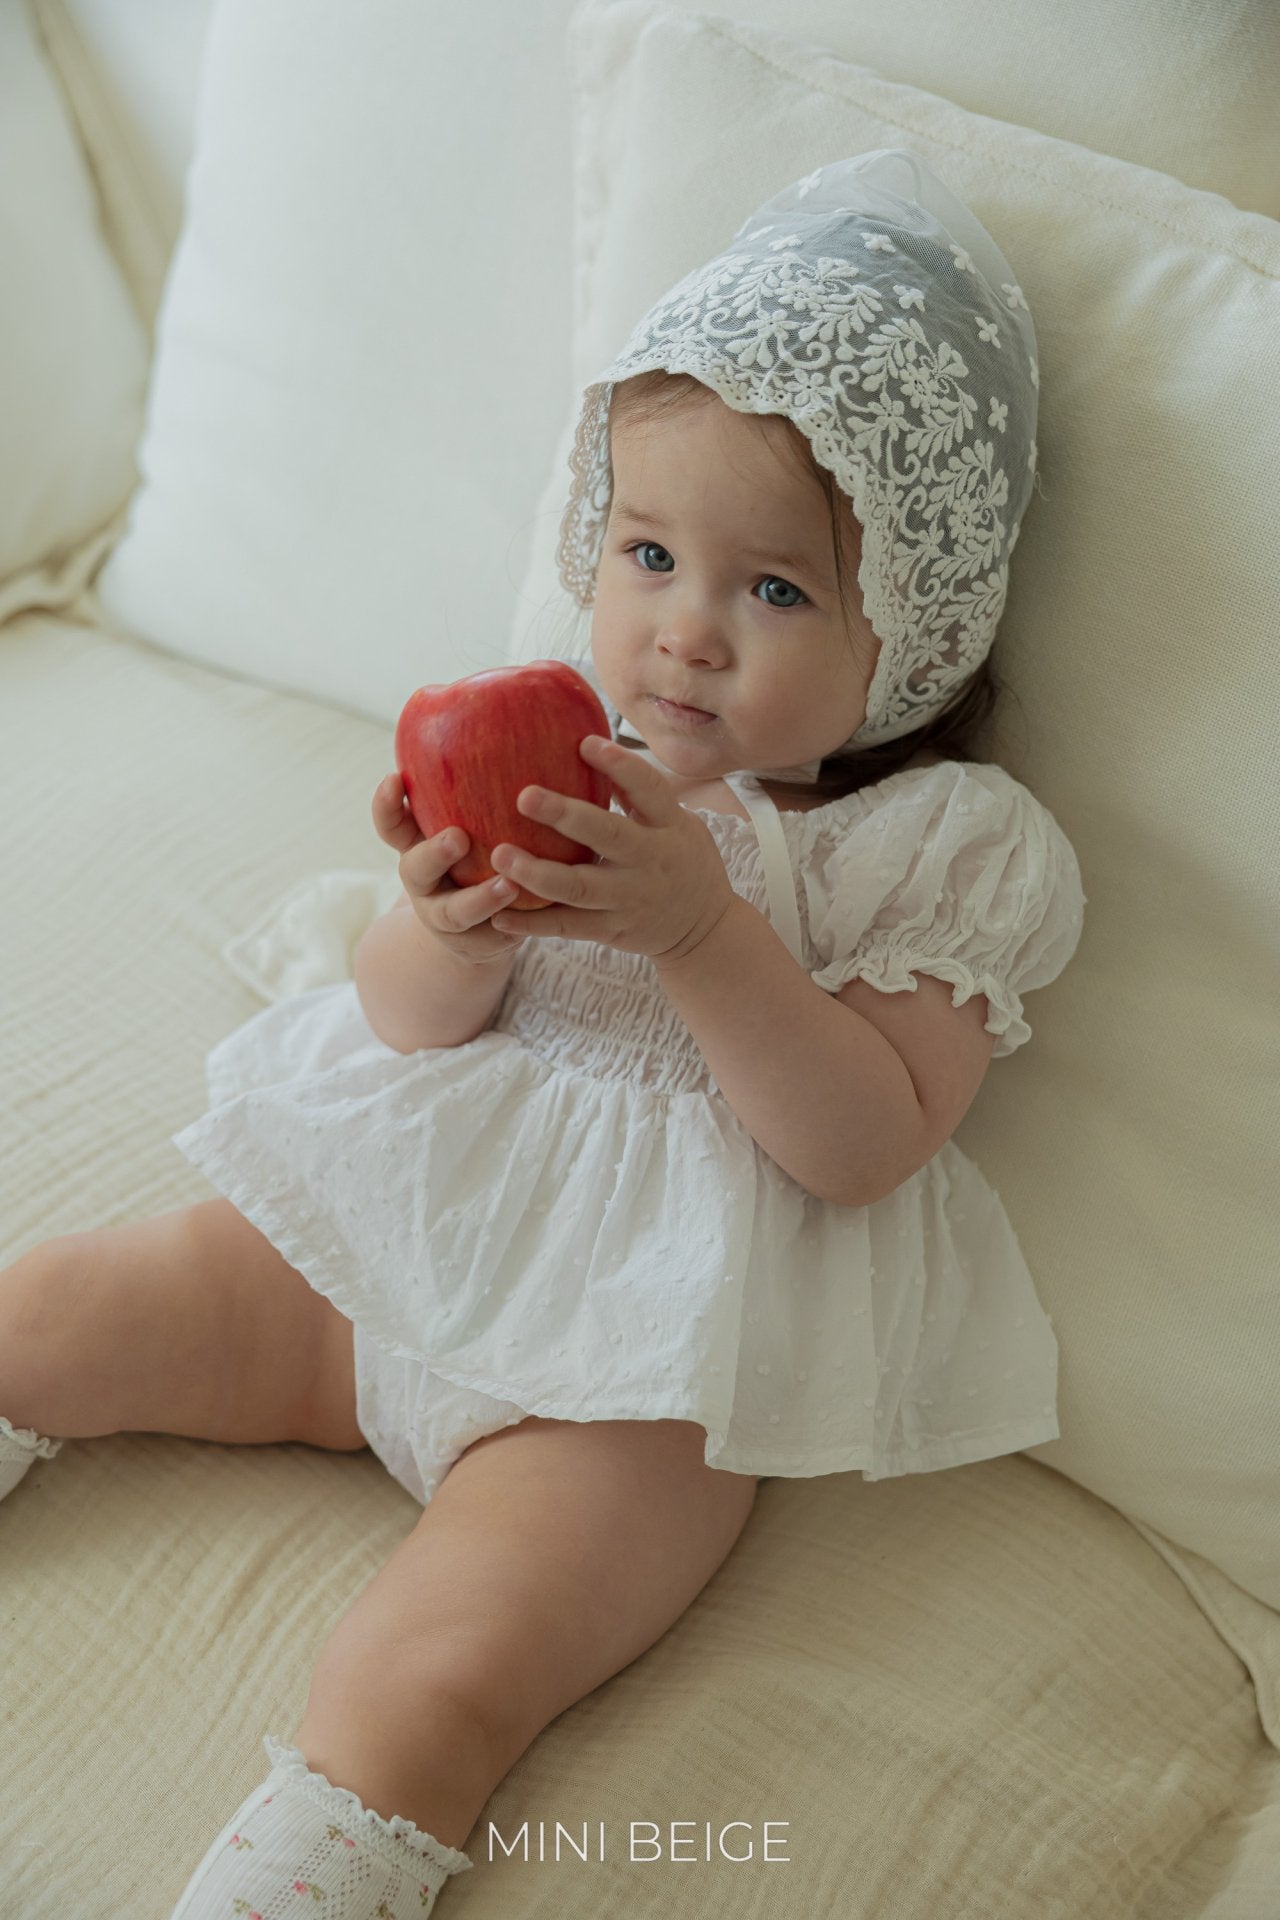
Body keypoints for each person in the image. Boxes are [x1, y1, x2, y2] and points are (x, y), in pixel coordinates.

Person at [0, 150, 1085, 1918]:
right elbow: (402, 1026)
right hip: (382, 1252)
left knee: (429, 1679)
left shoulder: (938, 846)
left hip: (626, 1386)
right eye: (649, 555)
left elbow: (866, 1141)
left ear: (922, 628)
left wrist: (704, 932)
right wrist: (444, 925)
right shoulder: (569, 742)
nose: (686, 633)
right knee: (50, 1307)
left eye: (776, 591)